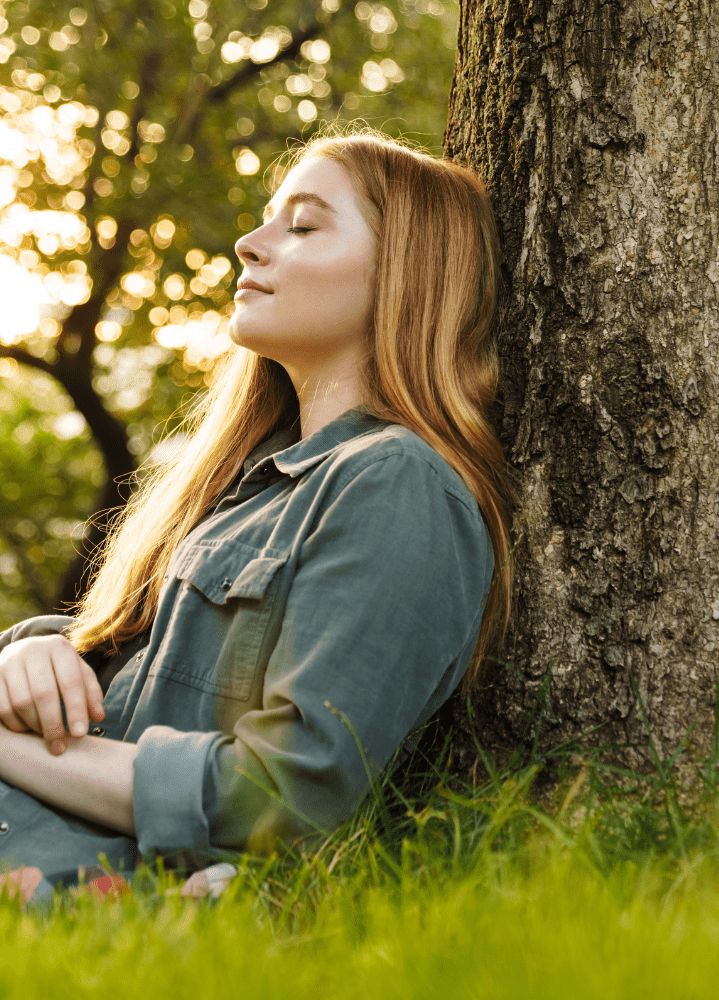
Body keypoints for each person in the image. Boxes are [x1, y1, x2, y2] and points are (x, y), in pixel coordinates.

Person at [0, 128, 514, 905]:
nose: (250, 243)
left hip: (81, 887)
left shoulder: (396, 485)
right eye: (268, 218)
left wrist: (16, 750)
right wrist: (37, 654)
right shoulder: (242, 485)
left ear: (403, 273)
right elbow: (138, 682)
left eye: (302, 225)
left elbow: (287, 792)